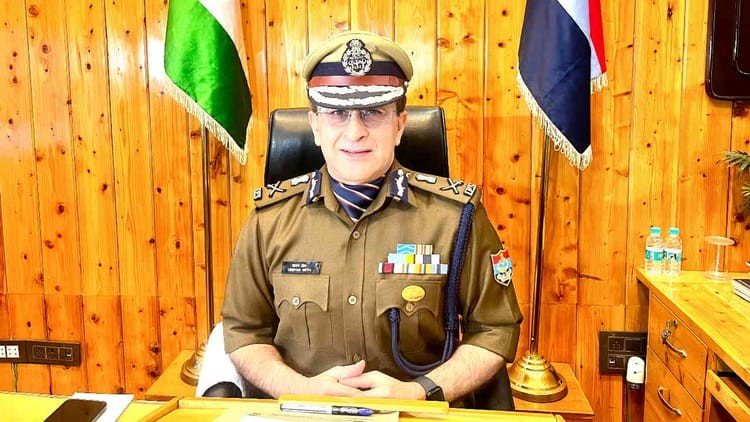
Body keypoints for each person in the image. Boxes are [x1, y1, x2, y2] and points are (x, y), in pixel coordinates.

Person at [221, 30, 523, 405]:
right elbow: (244, 332)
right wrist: (298, 388)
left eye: (373, 113)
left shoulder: (455, 219)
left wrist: (419, 391)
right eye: (337, 114)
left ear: (399, 125)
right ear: (315, 126)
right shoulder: (269, 221)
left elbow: (494, 329)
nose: (355, 132)